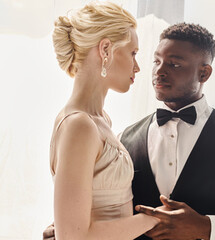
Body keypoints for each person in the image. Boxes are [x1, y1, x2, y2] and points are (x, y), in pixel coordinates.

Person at [45, 23, 215, 240]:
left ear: (204, 72)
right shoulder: (123, 139)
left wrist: (207, 228)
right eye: (156, 61)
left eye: (174, 64)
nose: (158, 71)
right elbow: (100, 212)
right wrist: (63, 231)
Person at [47, 2, 159, 240]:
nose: (137, 67)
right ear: (106, 49)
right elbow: (73, 236)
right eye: (133, 53)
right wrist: (152, 219)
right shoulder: (80, 125)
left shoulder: (101, 120)